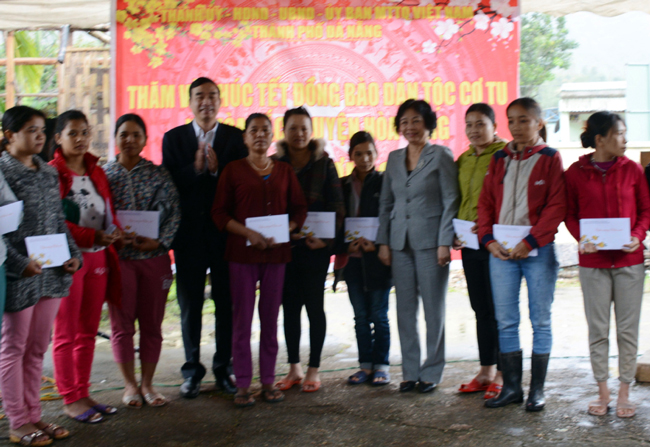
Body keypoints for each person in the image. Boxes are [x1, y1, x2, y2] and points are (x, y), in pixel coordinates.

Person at [212, 113, 307, 407]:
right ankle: (242, 384)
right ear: (245, 137)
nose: (260, 135)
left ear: (271, 136)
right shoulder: (233, 170)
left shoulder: (284, 170)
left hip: (277, 255)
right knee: (242, 320)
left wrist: (285, 230)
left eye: (265, 130)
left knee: (270, 319)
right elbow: (219, 213)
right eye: (254, 130)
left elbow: (299, 209)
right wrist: (248, 234)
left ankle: (267, 382)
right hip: (241, 254)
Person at [0, 105, 82, 445]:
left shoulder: (48, 173)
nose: (40, 136)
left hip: (51, 272)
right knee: (13, 347)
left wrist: (73, 255)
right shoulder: (2, 172)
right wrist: (20, 264)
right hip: (20, 273)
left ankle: (35, 416)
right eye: (31, 130)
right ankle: (18, 421)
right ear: (9, 135)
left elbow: (58, 222)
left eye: (42, 131)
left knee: (36, 347)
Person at [478, 97, 566, 411]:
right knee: (505, 321)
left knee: (540, 320)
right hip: (500, 253)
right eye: (511, 120)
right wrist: (487, 240)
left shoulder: (550, 158)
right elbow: (486, 203)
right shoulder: (499, 158)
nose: (516, 126)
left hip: (537, 252)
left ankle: (536, 391)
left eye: (524, 120)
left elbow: (556, 206)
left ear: (539, 122)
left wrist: (530, 242)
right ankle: (512, 388)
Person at [162, 77, 247, 398]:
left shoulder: (235, 138)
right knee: (189, 304)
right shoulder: (174, 139)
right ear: (190, 102)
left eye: (212, 96)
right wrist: (195, 169)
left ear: (220, 101)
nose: (206, 102)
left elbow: (241, 182)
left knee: (226, 304)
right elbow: (169, 185)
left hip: (225, 236)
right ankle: (191, 371)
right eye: (200, 97)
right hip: (189, 238)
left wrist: (219, 169)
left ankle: (224, 368)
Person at [565, 112, 650, 418]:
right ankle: (603, 393)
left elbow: (645, 210)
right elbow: (569, 213)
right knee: (598, 330)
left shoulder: (633, 170)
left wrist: (637, 236)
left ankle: (625, 392)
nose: (625, 140)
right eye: (620, 134)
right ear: (600, 139)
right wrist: (580, 238)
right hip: (593, 263)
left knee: (628, 331)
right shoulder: (575, 172)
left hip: (629, 262)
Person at [376, 99, 460, 393]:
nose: (409, 127)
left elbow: (451, 199)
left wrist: (443, 242)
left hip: (430, 243)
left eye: (415, 121)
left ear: (428, 124)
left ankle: (432, 372)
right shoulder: (394, 158)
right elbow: (386, 203)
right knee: (405, 310)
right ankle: (410, 372)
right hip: (399, 243)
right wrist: (383, 241)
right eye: (404, 122)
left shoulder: (441, 155)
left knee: (434, 310)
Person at [49, 110, 122, 423]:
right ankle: (69, 398)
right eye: (72, 133)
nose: (80, 139)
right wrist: (93, 234)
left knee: (88, 331)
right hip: (67, 259)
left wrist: (115, 230)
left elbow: (107, 207)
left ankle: (83, 391)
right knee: (66, 332)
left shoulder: (96, 168)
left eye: (84, 132)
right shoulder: (51, 172)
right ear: (58, 138)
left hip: (98, 254)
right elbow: (55, 220)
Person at [103, 114, 181, 408]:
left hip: (153, 258)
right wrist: (110, 236)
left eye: (136, 135)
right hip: (120, 260)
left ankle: (148, 384)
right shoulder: (104, 175)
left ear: (145, 140)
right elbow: (96, 216)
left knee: (152, 325)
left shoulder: (159, 174)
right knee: (122, 326)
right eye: (124, 134)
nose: (130, 140)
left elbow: (174, 212)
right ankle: (129, 385)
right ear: (116, 138)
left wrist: (160, 242)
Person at [273, 107, 345, 393]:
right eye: (293, 128)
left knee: (315, 307)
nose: (299, 133)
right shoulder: (274, 164)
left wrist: (327, 242)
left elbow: (338, 207)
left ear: (311, 130)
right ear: (284, 131)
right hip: (284, 249)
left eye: (304, 128)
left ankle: (314, 368)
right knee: (289, 308)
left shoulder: (324, 164)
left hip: (315, 249)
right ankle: (294, 368)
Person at [454, 104, 506, 399]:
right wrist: (456, 232)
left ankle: (502, 371)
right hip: (469, 244)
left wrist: (488, 226)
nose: (474, 130)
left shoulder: (504, 155)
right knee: (480, 309)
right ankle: (485, 370)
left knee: (500, 310)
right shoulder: (462, 160)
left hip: (496, 242)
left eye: (480, 124)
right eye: (469, 124)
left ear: (494, 126)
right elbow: (459, 200)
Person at [339, 131, 392, 386]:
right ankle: (365, 366)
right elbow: (335, 222)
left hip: (377, 261)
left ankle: (381, 365)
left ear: (376, 154)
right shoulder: (341, 185)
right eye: (358, 154)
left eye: (369, 153)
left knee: (379, 316)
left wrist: (380, 244)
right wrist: (344, 245)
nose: (364, 158)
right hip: (352, 263)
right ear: (350, 156)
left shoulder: (385, 183)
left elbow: (391, 219)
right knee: (360, 316)